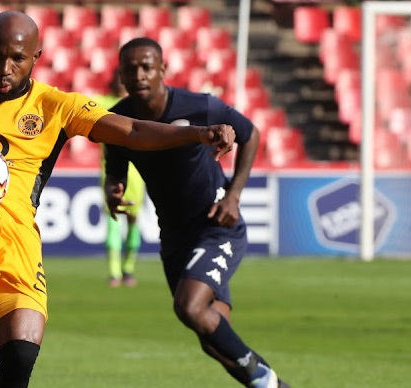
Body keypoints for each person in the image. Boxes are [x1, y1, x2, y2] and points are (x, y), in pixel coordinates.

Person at [0, 12, 235, 388]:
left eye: (17, 58)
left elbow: (130, 129)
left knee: (20, 353)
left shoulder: (56, 106)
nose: (5, 67)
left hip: (16, 238)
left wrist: (196, 133)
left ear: (37, 57)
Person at [103, 37, 289, 388]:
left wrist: (233, 196)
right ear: (121, 76)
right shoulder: (118, 119)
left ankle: (267, 380)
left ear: (163, 70)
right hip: (173, 236)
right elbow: (115, 164)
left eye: (146, 66)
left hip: (216, 226)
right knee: (210, 331)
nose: (139, 74)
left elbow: (251, 134)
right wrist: (113, 187)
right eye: (131, 69)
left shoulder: (199, 106)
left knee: (189, 307)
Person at [92, 73, 146, 288]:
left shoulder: (140, 105)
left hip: (136, 174)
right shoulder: (103, 103)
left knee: (133, 221)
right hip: (111, 172)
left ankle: (128, 268)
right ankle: (114, 272)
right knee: (113, 221)